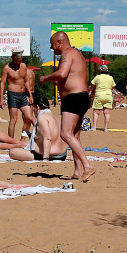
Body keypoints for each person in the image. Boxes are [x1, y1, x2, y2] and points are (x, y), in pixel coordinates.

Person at [39, 32, 95, 182]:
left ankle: (87, 166)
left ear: (59, 42)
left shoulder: (68, 53)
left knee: (65, 134)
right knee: (75, 136)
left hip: (74, 98)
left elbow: (62, 74)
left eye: (52, 44)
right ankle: (77, 170)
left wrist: (45, 78)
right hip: (81, 97)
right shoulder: (77, 54)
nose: (51, 48)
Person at [8, 95, 69, 161]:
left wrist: (45, 158)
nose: (33, 111)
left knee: (12, 152)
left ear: (37, 107)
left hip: (51, 155)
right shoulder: (56, 119)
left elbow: (47, 138)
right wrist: (31, 135)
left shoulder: (42, 117)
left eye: (33, 108)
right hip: (62, 154)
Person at [0, 49, 35, 142]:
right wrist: (1, 98)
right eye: (16, 61)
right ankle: (11, 141)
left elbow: (26, 81)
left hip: (23, 95)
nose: (17, 63)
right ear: (12, 58)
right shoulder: (7, 68)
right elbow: (2, 83)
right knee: (14, 120)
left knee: (29, 117)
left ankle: (29, 138)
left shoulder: (23, 66)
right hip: (12, 94)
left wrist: (30, 95)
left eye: (19, 61)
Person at [90, 64, 116, 132]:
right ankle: (106, 128)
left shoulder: (97, 77)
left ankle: (94, 127)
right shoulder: (110, 77)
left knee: (96, 112)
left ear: (101, 70)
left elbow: (92, 85)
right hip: (108, 95)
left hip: (99, 95)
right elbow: (113, 87)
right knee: (107, 113)